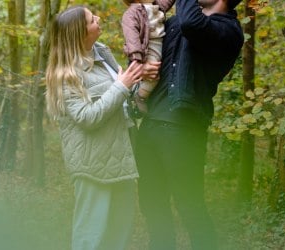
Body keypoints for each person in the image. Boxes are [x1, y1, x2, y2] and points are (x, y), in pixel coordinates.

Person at [135, 0, 244, 249]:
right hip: (151, 123)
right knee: (151, 201)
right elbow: (151, 45)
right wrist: (142, 65)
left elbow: (192, 24)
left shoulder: (228, 30)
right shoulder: (175, 23)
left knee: (189, 204)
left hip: (184, 128)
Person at [45, 6, 143, 250]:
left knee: (119, 235)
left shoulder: (101, 52)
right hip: (92, 165)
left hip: (120, 158)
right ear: (79, 33)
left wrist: (136, 81)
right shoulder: (66, 74)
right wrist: (122, 85)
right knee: (91, 237)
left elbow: (118, 97)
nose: (98, 18)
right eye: (91, 20)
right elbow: (87, 117)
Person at [121, 0, 175, 113]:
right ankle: (140, 96)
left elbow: (167, 2)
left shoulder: (155, 6)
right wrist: (138, 58)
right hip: (148, 47)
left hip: (160, 42)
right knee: (154, 76)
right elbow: (132, 38)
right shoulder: (131, 13)